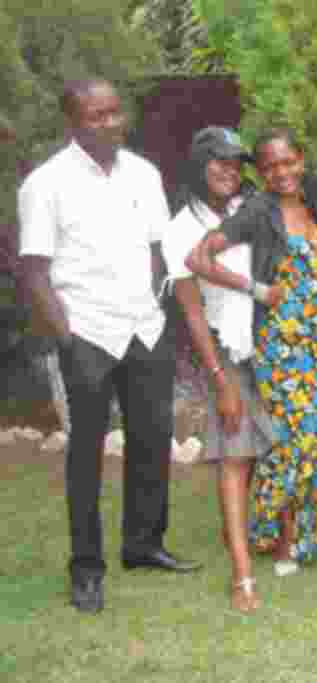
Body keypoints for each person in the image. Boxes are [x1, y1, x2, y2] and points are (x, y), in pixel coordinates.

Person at [18, 78, 200, 614]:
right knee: (87, 454)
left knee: (152, 439)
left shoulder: (144, 173)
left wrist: (155, 306)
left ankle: (143, 545)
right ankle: (87, 568)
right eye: (96, 116)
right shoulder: (46, 184)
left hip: (143, 327)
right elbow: (34, 273)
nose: (109, 123)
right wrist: (68, 339)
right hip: (87, 334)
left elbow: (156, 247)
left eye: (115, 113)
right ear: (73, 122)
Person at [186, 129, 317, 579]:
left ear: (301, 159)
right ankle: (284, 541)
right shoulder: (259, 209)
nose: (282, 173)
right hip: (280, 345)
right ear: (262, 171)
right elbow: (198, 259)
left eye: (288, 162)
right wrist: (256, 289)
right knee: (290, 443)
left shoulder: (315, 194)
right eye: (271, 166)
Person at [161, 126, 270, 611]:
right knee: (235, 456)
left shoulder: (249, 208)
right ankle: (242, 574)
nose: (230, 170)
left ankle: (258, 539)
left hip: (273, 345)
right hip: (228, 350)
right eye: (219, 161)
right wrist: (220, 381)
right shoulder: (182, 227)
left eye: (236, 162)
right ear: (198, 165)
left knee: (266, 452)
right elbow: (192, 315)